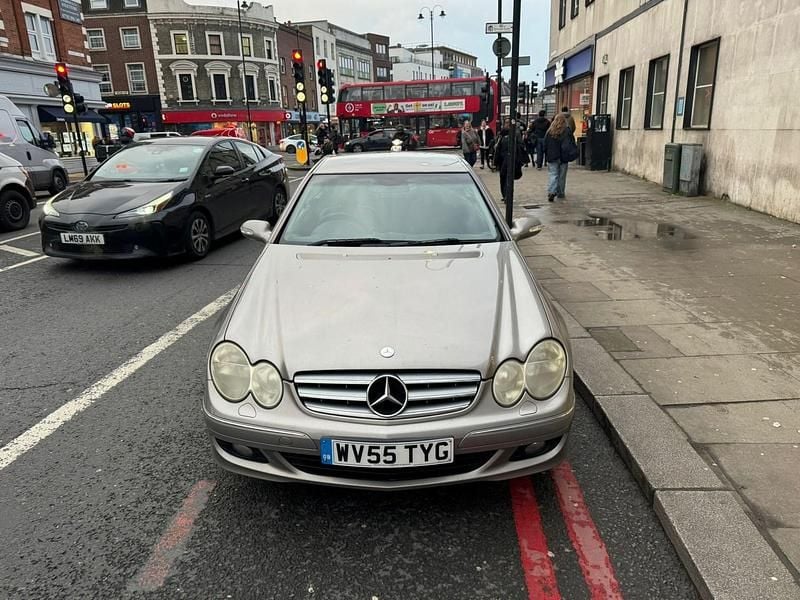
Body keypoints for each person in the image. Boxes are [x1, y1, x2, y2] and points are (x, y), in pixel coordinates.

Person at [493, 121, 526, 202]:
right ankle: (505, 195)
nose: (507, 125)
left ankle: (507, 196)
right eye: (506, 124)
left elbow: (521, 146)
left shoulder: (515, 134)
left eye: (508, 124)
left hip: (510, 160)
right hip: (503, 160)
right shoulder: (501, 134)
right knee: (504, 178)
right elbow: (497, 147)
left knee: (508, 178)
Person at [545, 113, 573, 202]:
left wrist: (547, 154)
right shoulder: (567, 131)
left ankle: (552, 191)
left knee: (553, 174)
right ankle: (560, 192)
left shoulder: (550, 131)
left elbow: (545, 144)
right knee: (562, 176)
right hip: (563, 156)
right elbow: (571, 143)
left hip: (552, 156)